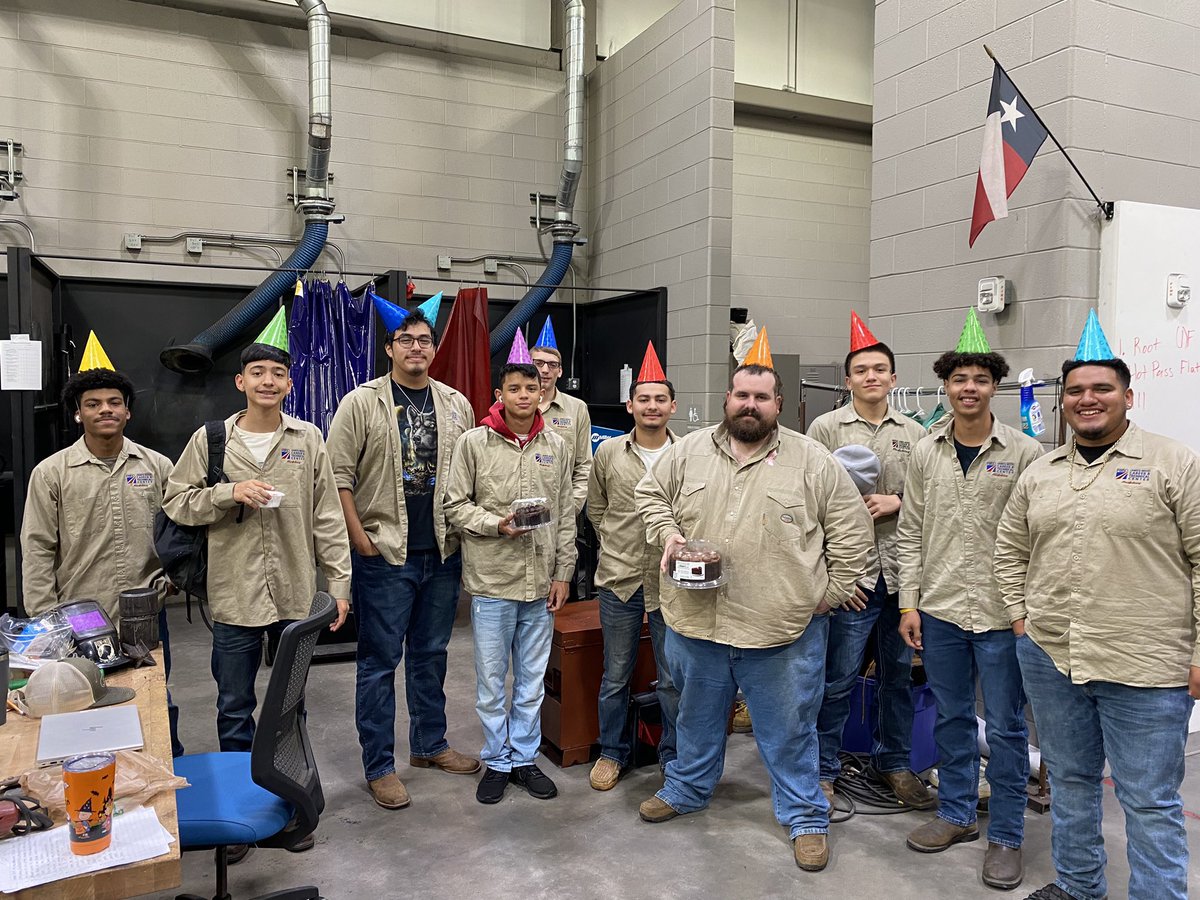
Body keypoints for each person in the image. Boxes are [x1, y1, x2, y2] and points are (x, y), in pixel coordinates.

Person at [634, 356, 873, 873]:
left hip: (781, 630)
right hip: (698, 622)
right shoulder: (688, 452)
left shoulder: (813, 461)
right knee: (694, 716)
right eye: (742, 394)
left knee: (789, 728)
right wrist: (668, 534)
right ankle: (687, 788)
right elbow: (650, 495)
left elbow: (854, 535)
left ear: (778, 405)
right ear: (727, 398)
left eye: (761, 397)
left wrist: (825, 596)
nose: (750, 404)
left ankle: (806, 816)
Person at [995, 311, 1200, 900]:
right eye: (1076, 391)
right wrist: (1021, 619)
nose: (1087, 399)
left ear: (1128, 396)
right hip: (1052, 656)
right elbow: (1010, 548)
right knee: (1072, 780)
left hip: (1146, 665)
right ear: (1063, 403)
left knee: (1148, 799)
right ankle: (1080, 887)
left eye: (1101, 388)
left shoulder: (1173, 464)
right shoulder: (1041, 474)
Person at [163, 311, 352, 762]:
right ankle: (242, 796)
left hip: (295, 591)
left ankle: (288, 785)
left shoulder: (307, 439)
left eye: (278, 374)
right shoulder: (210, 440)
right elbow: (176, 502)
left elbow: (326, 516)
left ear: (289, 385)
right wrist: (229, 492)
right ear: (240, 382)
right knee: (233, 705)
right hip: (234, 594)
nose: (268, 381)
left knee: (291, 703)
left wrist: (339, 587)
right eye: (258, 373)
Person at [896, 311, 1041, 891]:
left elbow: (1037, 535)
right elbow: (910, 532)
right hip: (943, 610)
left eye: (980, 378)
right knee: (954, 717)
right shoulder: (926, 453)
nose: (969, 388)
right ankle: (956, 813)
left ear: (994, 386)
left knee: (1006, 727)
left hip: (1005, 614)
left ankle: (1005, 834)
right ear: (946, 387)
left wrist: (1028, 609)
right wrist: (909, 603)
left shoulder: (1027, 453)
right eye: (959, 379)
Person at [327, 293, 479, 812]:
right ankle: (379, 766)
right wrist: (358, 538)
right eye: (406, 340)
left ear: (434, 349)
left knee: (431, 654)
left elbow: (469, 476)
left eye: (424, 340)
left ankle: (430, 745)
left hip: (441, 551)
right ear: (389, 348)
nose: (416, 348)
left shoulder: (457, 404)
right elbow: (337, 478)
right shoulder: (360, 402)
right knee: (378, 662)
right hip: (385, 552)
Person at [21, 341, 184, 756]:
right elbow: (38, 547)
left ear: (128, 411)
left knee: (153, 701)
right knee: (82, 710)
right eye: (93, 404)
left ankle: (162, 774)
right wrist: (44, 623)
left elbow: (179, 529)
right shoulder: (52, 474)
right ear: (79, 413)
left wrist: (172, 578)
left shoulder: (157, 467)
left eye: (115, 402)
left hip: (143, 616)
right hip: (77, 619)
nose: (105, 410)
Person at [443, 332, 576, 806]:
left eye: (532, 388)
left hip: (540, 584)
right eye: (514, 389)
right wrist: (496, 524)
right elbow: (454, 506)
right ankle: (496, 760)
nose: (524, 396)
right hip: (493, 583)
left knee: (532, 681)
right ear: (499, 395)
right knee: (491, 682)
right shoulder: (473, 444)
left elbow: (562, 516)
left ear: (543, 392)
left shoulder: (555, 447)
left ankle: (524, 758)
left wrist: (564, 574)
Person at [808, 314, 933, 812]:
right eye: (861, 370)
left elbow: (927, 498)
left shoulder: (916, 433)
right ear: (848, 380)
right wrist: (832, 576)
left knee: (898, 676)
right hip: (854, 575)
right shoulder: (825, 427)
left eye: (880, 369)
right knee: (837, 678)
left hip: (901, 576)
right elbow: (808, 496)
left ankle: (894, 762)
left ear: (894, 378)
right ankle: (823, 769)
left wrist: (897, 501)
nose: (871, 377)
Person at [586, 342, 680, 791]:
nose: (652, 406)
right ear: (630, 405)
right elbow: (596, 508)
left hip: (673, 582)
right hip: (619, 579)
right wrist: (616, 542)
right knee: (615, 674)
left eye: (660, 398)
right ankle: (611, 752)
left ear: (672, 406)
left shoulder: (689, 455)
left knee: (673, 677)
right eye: (644, 398)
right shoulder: (607, 453)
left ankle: (674, 757)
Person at [530, 316, 591, 513]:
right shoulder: (510, 406)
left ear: (561, 371)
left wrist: (570, 508)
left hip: (561, 511)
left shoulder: (577, 408)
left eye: (552, 364)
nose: (545, 370)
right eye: (538, 363)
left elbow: (583, 465)